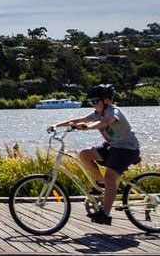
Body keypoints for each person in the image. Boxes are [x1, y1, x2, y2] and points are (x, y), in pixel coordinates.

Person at [48, 84, 140, 225]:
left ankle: (105, 214)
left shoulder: (113, 111)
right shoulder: (98, 113)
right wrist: (56, 125)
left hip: (127, 149)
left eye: (96, 101)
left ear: (107, 100)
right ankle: (102, 184)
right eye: (91, 102)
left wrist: (88, 127)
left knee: (110, 176)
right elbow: (79, 120)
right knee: (84, 155)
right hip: (112, 147)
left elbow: (107, 122)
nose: (93, 105)